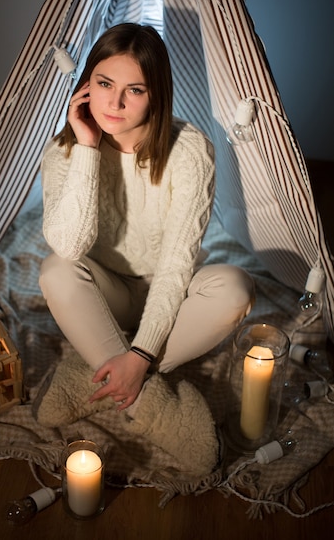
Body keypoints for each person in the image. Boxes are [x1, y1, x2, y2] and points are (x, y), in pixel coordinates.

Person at [34, 23, 255, 475]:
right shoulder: (63, 151)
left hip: (170, 295)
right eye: (103, 84)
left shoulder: (191, 150)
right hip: (105, 293)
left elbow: (177, 262)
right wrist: (88, 149)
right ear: (85, 86)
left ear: (156, 94)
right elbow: (69, 246)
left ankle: (102, 374)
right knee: (55, 269)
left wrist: (139, 356)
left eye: (134, 90)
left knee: (236, 287)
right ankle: (149, 397)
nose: (114, 103)